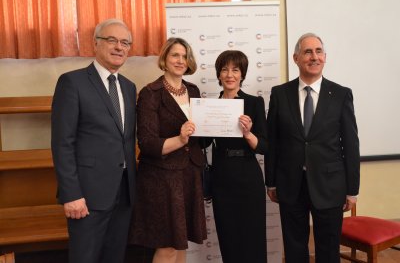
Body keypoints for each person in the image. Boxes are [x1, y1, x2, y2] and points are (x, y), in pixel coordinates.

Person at [265, 33, 360, 263]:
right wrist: (271, 181)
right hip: (290, 184)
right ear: (296, 58)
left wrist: (352, 189)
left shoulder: (341, 94)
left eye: (318, 51)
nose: (314, 57)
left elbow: (351, 143)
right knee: (295, 247)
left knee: (328, 250)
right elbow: (272, 141)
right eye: (308, 52)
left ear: (325, 57)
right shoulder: (279, 94)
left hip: (330, 186)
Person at [51, 19, 137, 263]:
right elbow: (62, 143)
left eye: (125, 42)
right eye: (112, 40)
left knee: (115, 257)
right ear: (95, 44)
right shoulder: (72, 82)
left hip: (123, 193)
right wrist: (71, 194)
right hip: (87, 196)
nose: (119, 47)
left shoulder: (129, 87)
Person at [130, 37, 206, 263]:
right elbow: (147, 142)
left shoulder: (193, 90)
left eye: (184, 56)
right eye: (175, 55)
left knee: (181, 245)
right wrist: (181, 139)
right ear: (164, 58)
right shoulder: (150, 93)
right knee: (168, 247)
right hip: (161, 179)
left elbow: (200, 139)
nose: (180, 60)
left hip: (189, 175)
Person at [211, 50, 268, 263]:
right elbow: (203, 144)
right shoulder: (210, 106)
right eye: (224, 69)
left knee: (253, 238)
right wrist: (198, 125)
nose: (229, 74)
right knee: (228, 238)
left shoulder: (254, 103)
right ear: (218, 74)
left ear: (242, 74)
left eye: (235, 69)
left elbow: (264, 146)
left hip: (248, 176)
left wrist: (247, 133)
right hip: (222, 176)